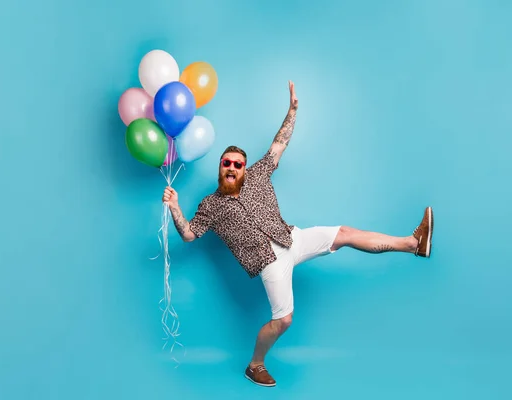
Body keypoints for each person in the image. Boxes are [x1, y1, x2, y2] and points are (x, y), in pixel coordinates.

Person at [162, 81, 434, 387]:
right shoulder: (211, 205)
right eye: (227, 163)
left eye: (238, 164)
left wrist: (292, 110)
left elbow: (280, 142)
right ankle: (255, 365)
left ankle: (413, 243)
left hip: (292, 239)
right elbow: (188, 234)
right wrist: (174, 207)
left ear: (244, 168)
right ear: (220, 167)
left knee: (344, 233)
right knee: (284, 320)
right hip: (268, 262)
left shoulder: (258, 175)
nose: (232, 168)